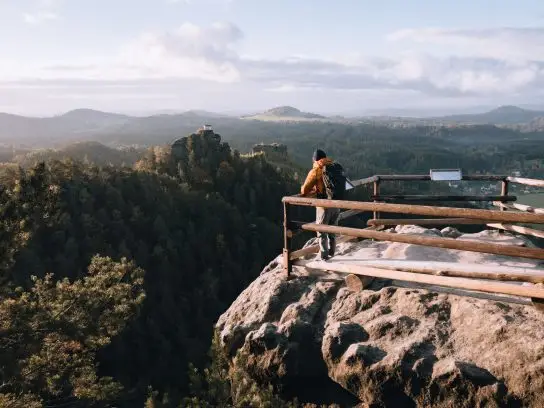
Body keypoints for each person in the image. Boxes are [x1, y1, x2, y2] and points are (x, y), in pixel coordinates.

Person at [300, 149, 341, 261]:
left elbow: (304, 190)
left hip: (324, 205)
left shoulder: (316, 170)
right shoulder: (333, 166)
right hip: (337, 204)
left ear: (315, 159)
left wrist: (308, 189)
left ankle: (324, 257)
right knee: (332, 231)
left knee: (321, 231)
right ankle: (333, 254)